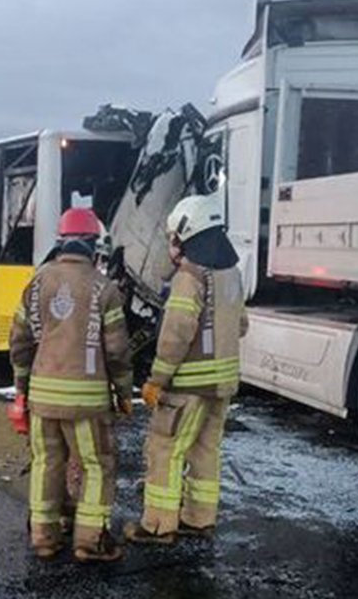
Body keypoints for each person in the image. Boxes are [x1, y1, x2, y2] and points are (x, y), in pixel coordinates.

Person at [10, 208, 132, 562]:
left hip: (43, 398)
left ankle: (45, 538)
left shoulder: (37, 283)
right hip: (88, 402)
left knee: (47, 462)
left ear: (61, 242)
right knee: (97, 465)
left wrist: (22, 385)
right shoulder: (103, 287)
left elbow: (20, 340)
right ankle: (90, 542)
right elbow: (117, 351)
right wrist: (124, 392)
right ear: (93, 244)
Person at [126, 192, 246, 544]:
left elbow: (176, 333)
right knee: (207, 450)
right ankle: (199, 519)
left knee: (166, 448)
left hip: (188, 387)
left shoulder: (189, 276)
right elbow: (241, 325)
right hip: (223, 385)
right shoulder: (232, 274)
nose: (172, 246)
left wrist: (157, 380)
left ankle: (159, 525)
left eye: (174, 238)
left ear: (187, 232)